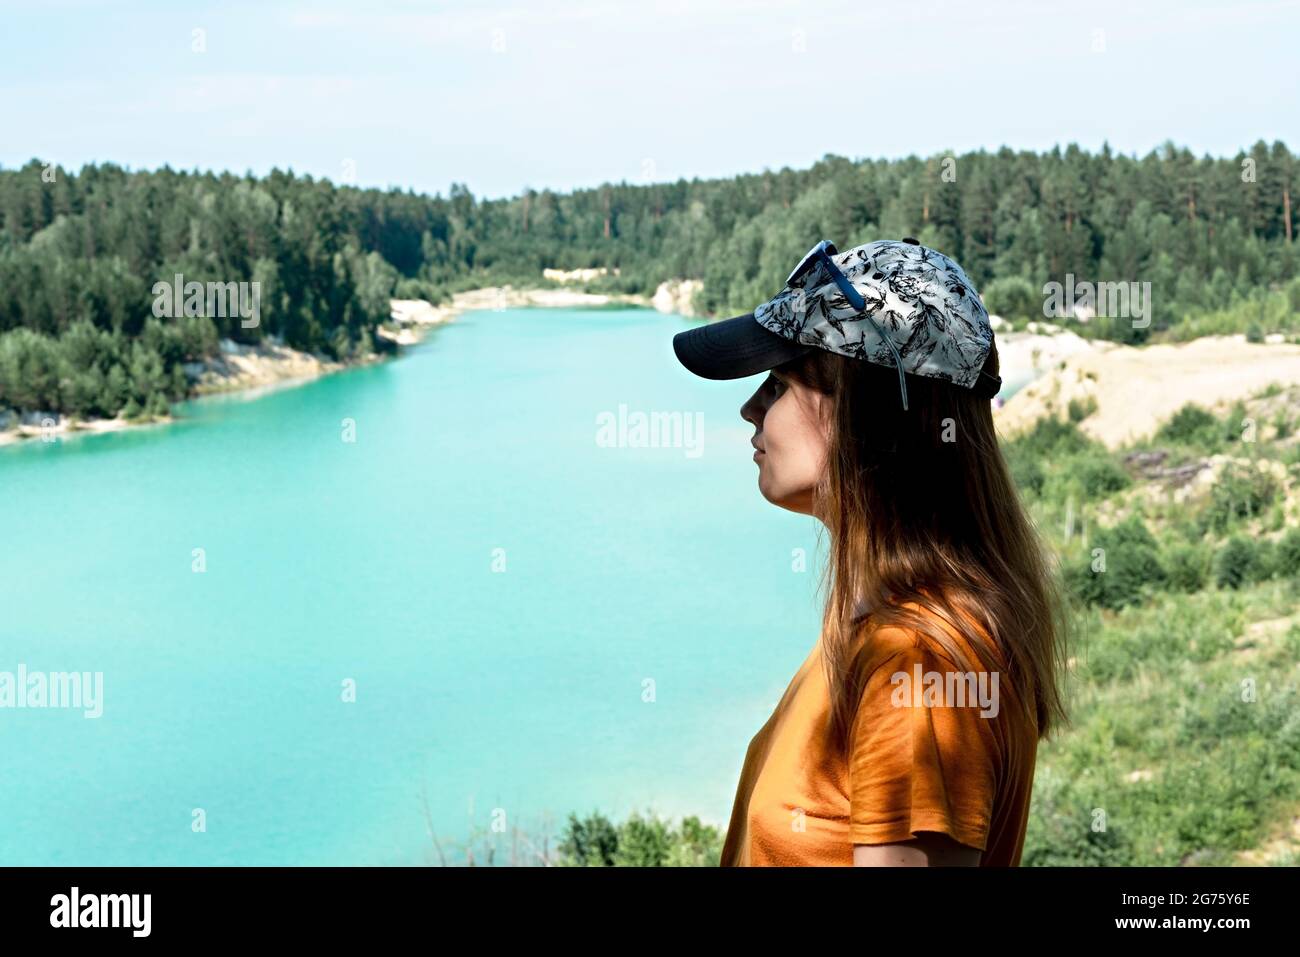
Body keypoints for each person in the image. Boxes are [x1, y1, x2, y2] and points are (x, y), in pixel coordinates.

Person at [672, 238, 1069, 866]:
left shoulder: (919, 661)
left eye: (778, 384)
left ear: (864, 415)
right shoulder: (878, 623)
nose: (749, 408)